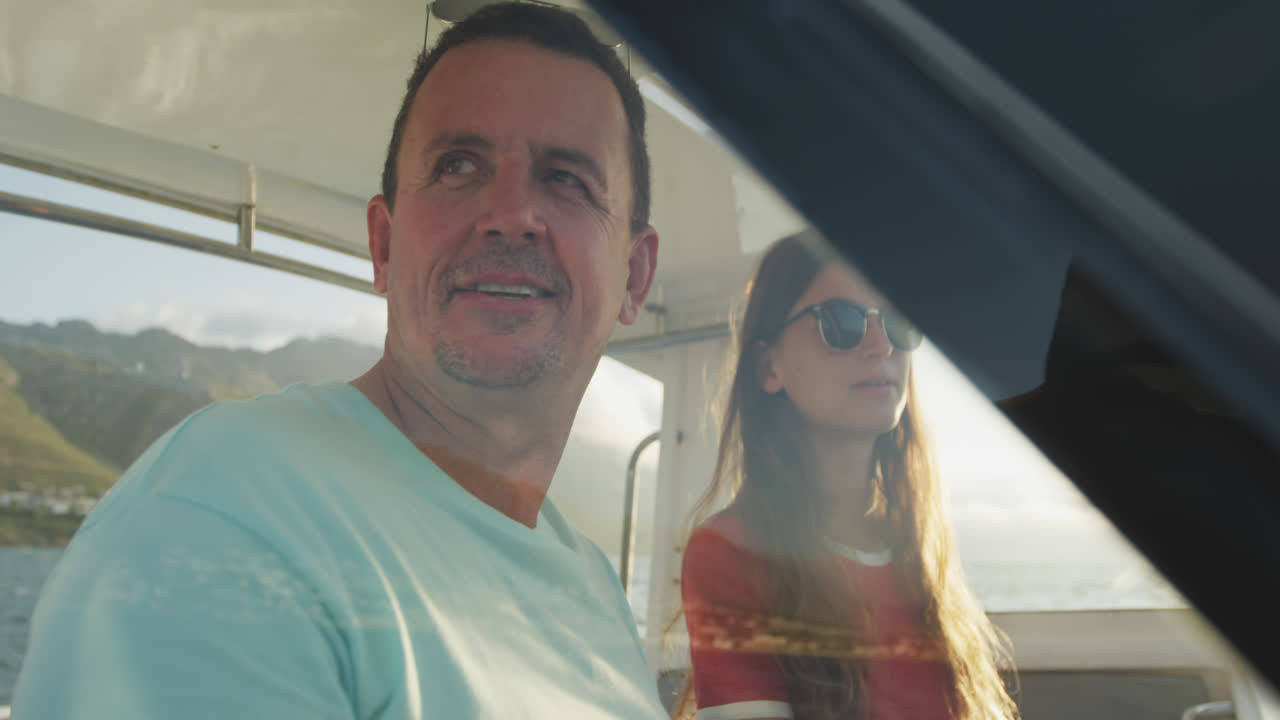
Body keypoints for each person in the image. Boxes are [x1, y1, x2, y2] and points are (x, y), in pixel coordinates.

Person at [12, 4, 665, 718]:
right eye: (458, 165)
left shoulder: (593, 582)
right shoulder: (230, 514)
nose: (510, 213)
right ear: (384, 245)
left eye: (567, 179)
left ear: (635, 277)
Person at [675, 233, 1017, 720]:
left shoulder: (917, 550)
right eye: (840, 323)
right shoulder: (731, 552)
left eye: (897, 322)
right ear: (769, 366)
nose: (880, 346)